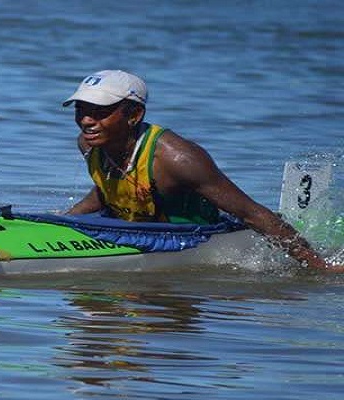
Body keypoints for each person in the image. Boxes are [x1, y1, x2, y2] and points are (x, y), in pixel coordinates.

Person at [62, 69, 343, 272]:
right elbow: (110, 189)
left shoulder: (178, 160)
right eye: (81, 110)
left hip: (195, 237)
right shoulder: (90, 144)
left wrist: (320, 265)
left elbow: (250, 213)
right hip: (139, 231)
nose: (86, 121)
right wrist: (60, 220)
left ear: (134, 115)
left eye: (100, 112)